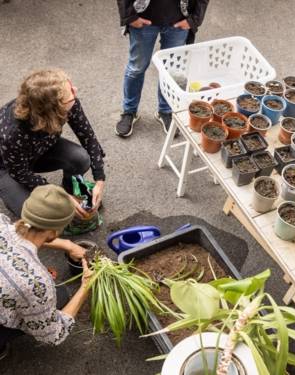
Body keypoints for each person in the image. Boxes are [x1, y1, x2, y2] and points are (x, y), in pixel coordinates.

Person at [0, 185, 92, 359]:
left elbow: (18, 230)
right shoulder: (37, 284)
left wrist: (67, 244)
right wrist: (87, 285)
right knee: (61, 295)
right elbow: (54, 335)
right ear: (55, 231)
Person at [0, 69, 106, 218]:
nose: (75, 91)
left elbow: (88, 138)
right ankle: (61, 200)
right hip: (7, 168)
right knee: (33, 214)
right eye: (70, 95)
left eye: (70, 86)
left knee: (81, 158)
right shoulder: (13, 133)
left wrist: (99, 179)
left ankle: (71, 190)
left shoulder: (68, 103)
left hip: (39, 151)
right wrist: (60, 196)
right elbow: (20, 173)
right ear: (53, 110)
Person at [115, 0, 210, 137]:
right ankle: (129, 111)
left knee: (171, 72)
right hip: (143, 18)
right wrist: (129, 16)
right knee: (136, 68)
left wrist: (194, 19)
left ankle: (165, 111)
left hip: (178, 21)